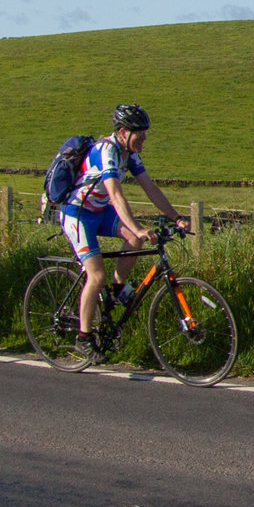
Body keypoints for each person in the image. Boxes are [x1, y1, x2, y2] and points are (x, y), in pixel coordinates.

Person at [57, 105, 184, 358]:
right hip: (78, 214)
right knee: (96, 275)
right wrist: (137, 227)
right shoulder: (107, 152)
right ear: (124, 132)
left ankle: (116, 291)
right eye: (140, 133)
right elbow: (115, 194)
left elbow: (151, 189)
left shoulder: (130, 154)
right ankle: (83, 337)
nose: (144, 138)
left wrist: (177, 217)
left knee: (133, 241)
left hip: (100, 212)